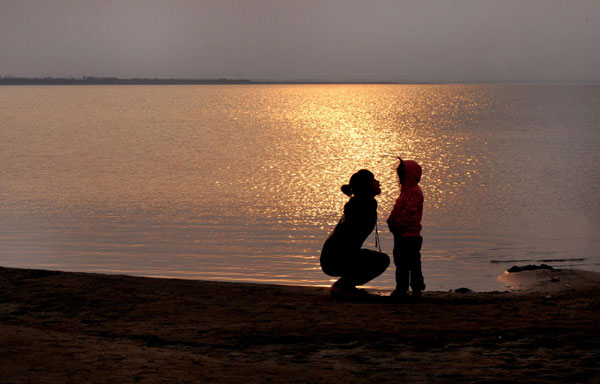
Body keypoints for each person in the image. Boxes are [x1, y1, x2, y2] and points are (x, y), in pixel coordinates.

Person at [320, 169, 390, 298]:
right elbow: (348, 237)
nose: (378, 182)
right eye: (374, 180)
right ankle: (343, 286)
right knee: (381, 260)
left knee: (379, 259)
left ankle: (345, 286)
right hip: (334, 258)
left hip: (334, 256)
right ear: (366, 186)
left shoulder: (359, 203)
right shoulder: (361, 205)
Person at [387, 158, 425, 298]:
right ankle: (401, 288)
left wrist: (399, 226)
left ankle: (416, 288)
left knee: (413, 263)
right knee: (400, 263)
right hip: (400, 235)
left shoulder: (415, 192)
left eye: (402, 175)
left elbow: (409, 213)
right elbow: (397, 211)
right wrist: (392, 223)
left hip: (411, 236)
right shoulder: (405, 192)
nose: (400, 179)